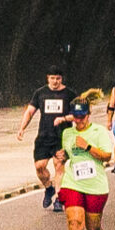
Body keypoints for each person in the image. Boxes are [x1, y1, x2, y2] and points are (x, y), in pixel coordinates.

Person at [56, 98, 114, 230]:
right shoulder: (67, 134)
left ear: (88, 115)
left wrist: (88, 147)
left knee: (93, 227)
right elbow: (68, 156)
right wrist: (62, 156)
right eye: (76, 117)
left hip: (95, 185)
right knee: (74, 222)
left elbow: (106, 156)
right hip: (73, 182)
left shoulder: (99, 131)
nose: (79, 120)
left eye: (82, 116)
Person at [16, 66, 77, 212]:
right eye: (52, 78)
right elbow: (30, 111)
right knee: (39, 167)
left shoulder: (69, 94)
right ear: (47, 78)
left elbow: (78, 115)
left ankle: (58, 198)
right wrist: (22, 128)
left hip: (61, 137)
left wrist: (64, 118)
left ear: (61, 79)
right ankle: (49, 188)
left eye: (58, 78)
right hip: (44, 136)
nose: (55, 81)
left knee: (59, 166)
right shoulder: (40, 93)